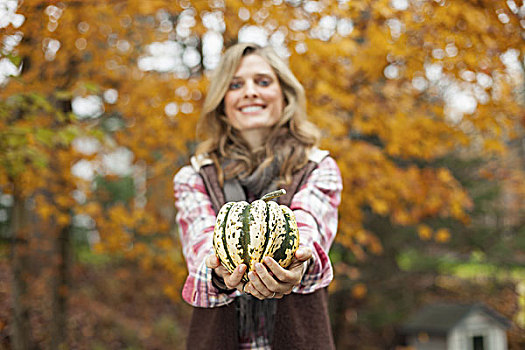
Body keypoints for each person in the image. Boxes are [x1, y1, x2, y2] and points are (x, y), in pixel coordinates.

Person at [173, 42, 342, 349]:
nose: (250, 92)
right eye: (236, 84)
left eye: (263, 82)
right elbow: (200, 253)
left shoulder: (318, 167)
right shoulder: (194, 177)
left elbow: (307, 228)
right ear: (222, 100)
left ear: (284, 94)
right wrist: (222, 274)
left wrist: (296, 264)